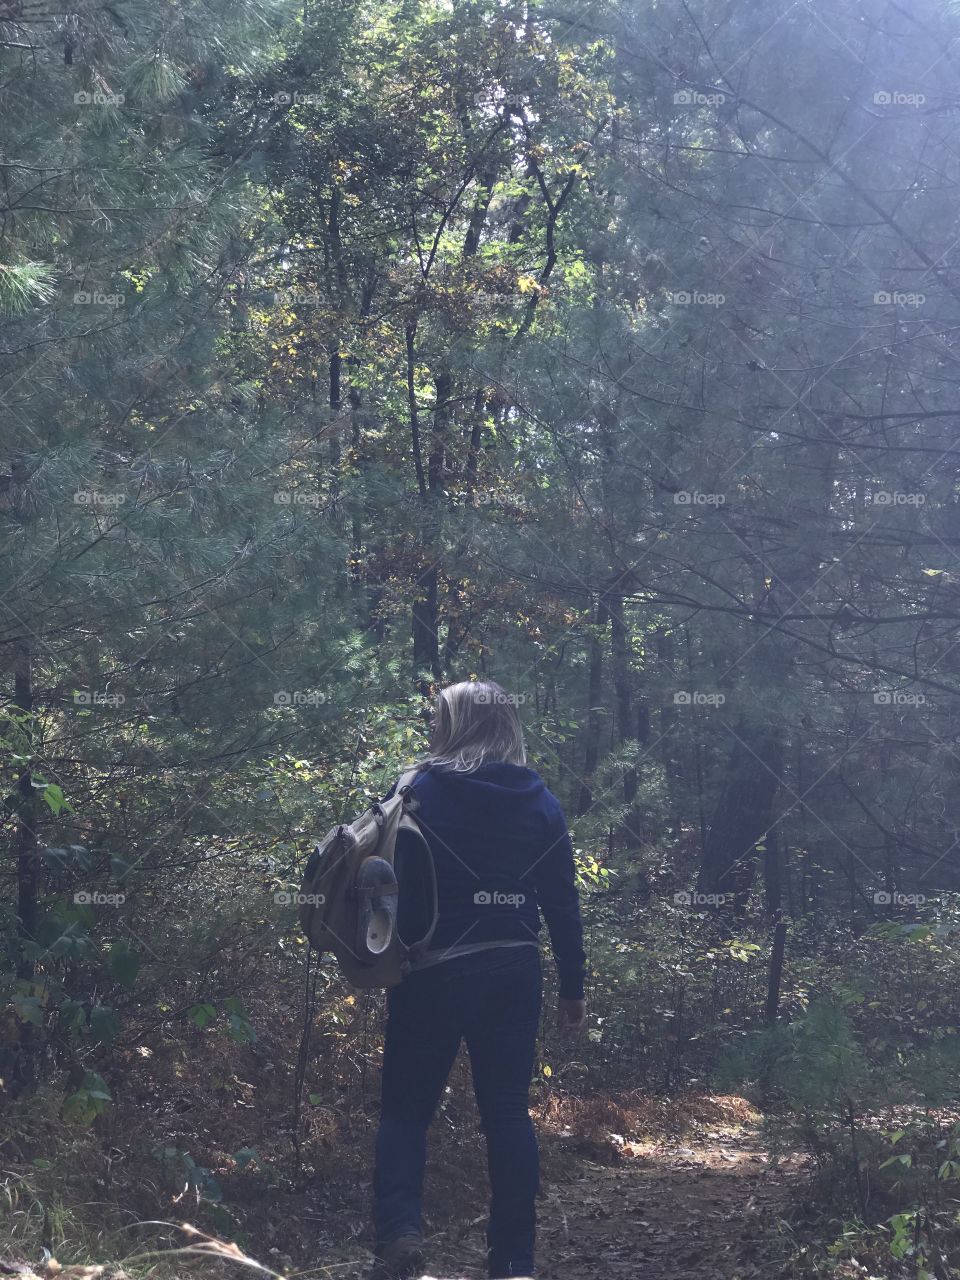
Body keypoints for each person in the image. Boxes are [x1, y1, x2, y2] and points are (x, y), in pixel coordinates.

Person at [371, 679, 587, 1280]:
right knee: (508, 1114)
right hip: (513, 970)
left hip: (431, 971)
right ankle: (514, 1259)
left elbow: (379, 874)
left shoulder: (415, 789)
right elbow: (562, 903)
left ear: (453, 723)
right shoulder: (539, 800)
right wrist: (574, 988)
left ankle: (400, 1237)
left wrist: (371, 955)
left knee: (406, 1113)